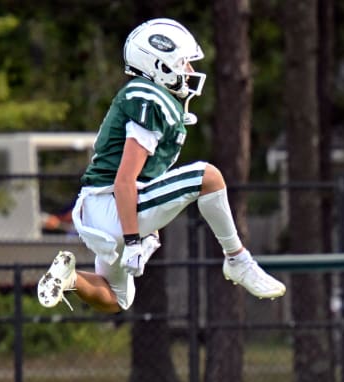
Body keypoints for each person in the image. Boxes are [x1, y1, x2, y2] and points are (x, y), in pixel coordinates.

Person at [37, 18, 286, 313]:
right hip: (113, 207)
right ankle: (237, 259)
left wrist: (143, 231)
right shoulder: (150, 100)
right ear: (160, 66)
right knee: (209, 177)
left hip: (100, 210)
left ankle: (70, 279)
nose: (190, 71)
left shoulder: (150, 99)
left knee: (116, 299)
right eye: (184, 63)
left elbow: (139, 177)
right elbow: (125, 179)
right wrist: (132, 239)